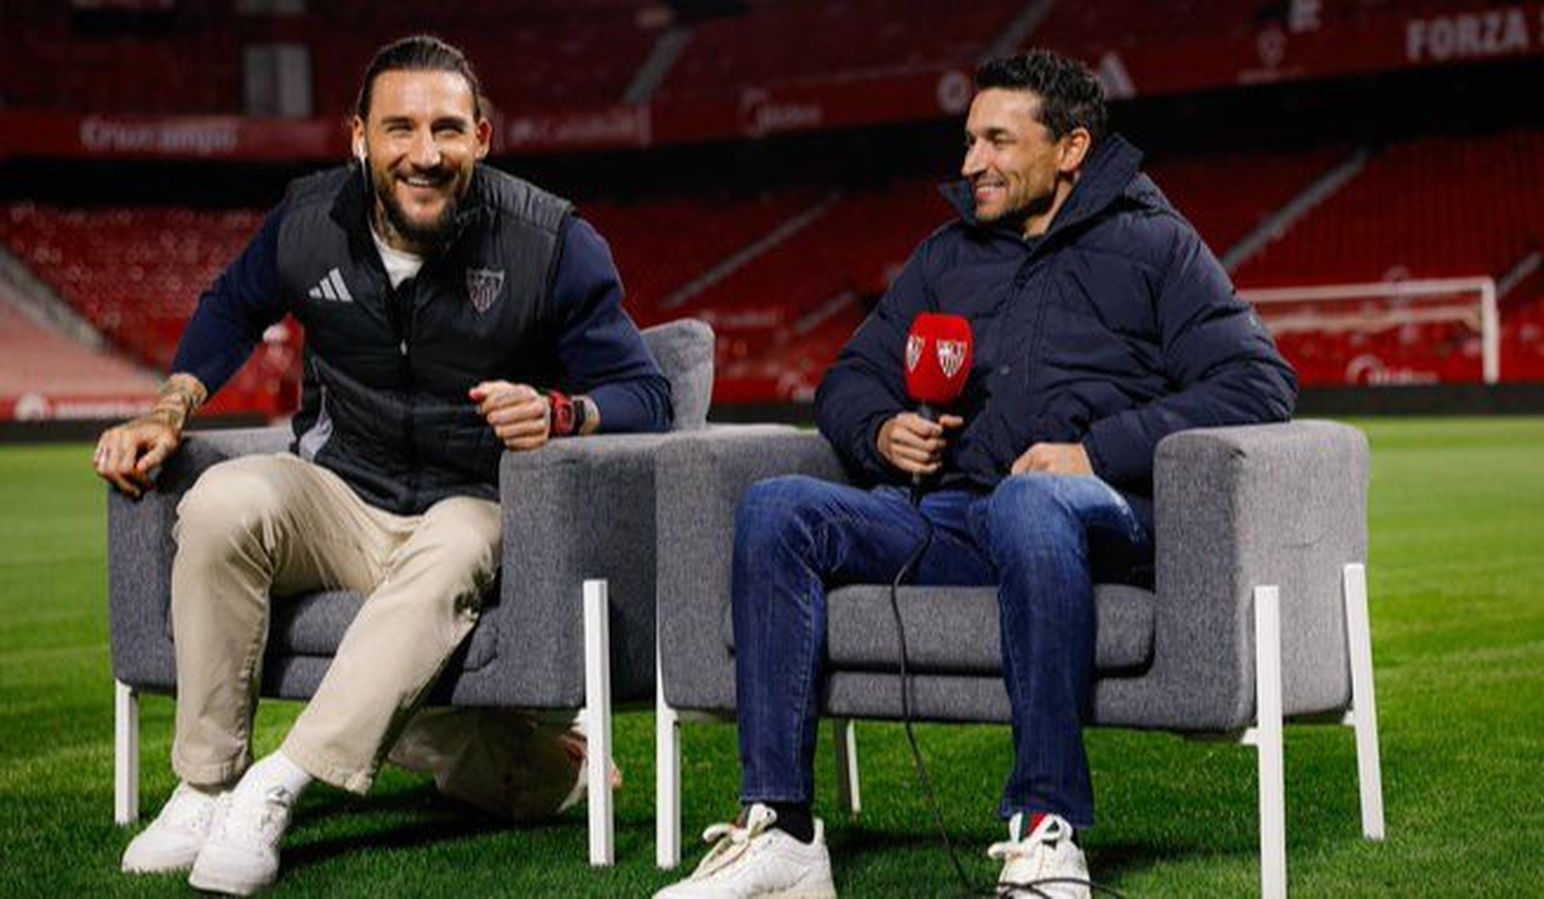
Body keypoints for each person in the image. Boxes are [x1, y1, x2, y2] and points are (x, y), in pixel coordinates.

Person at [657, 50, 1296, 899]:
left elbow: (1259, 381)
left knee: (1035, 501)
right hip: (957, 516)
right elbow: (849, 378)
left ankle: (1046, 832)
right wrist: (884, 431)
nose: (970, 164)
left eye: (997, 141)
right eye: (968, 141)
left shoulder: (1155, 245)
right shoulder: (948, 256)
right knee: (778, 508)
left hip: (1099, 519)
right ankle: (786, 835)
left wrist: (1094, 453)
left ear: (1070, 149)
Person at [94, 35, 671, 896]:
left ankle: (274, 786)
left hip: (473, 502)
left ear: (483, 135)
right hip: (339, 493)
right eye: (400, 128)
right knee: (220, 500)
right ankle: (207, 781)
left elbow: (647, 394)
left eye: (447, 129)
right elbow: (230, 307)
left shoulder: (550, 239)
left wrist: (560, 410)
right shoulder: (307, 220)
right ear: (357, 136)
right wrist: (171, 406)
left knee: (450, 547)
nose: (425, 153)